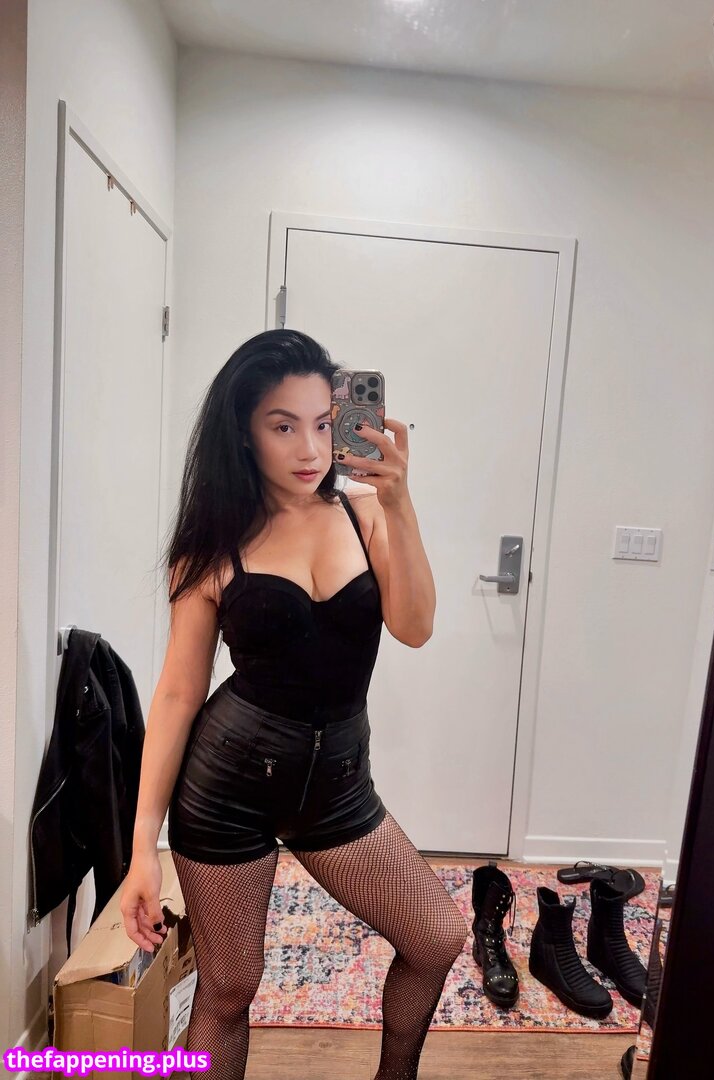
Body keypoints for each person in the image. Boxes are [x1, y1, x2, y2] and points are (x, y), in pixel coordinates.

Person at [119, 329, 468, 1080]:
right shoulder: (212, 546)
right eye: (283, 426)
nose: (309, 449)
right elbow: (178, 694)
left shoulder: (364, 514)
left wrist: (400, 501)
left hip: (336, 786)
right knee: (230, 987)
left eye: (321, 423)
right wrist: (142, 848)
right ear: (243, 432)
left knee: (437, 936)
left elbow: (415, 627)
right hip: (226, 792)